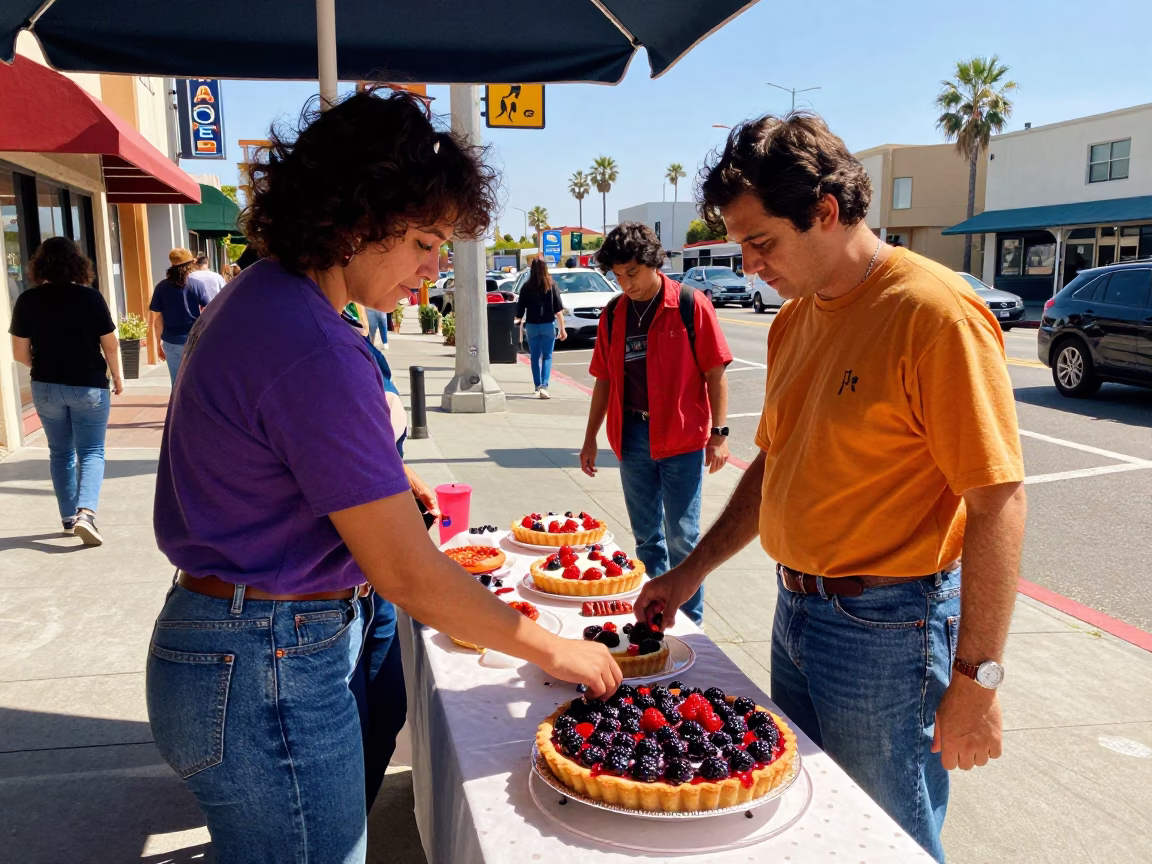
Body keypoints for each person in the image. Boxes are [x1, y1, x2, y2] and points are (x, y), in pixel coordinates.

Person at [145, 89, 621, 864]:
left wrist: (384, 482)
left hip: (235, 648)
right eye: (426, 242)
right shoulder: (313, 342)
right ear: (355, 220)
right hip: (266, 661)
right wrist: (551, 649)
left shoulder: (265, 296)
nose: (434, 270)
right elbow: (407, 573)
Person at [635, 113, 1027, 862]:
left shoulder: (933, 315)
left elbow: (997, 502)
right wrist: (690, 572)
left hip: (888, 630)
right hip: (798, 611)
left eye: (761, 241)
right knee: (814, 826)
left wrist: (978, 679)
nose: (748, 264)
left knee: (888, 840)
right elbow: (773, 466)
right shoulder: (794, 321)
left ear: (824, 211)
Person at [580, 222, 732, 625]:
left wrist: (719, 435)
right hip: (632, 438)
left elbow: (715, 373)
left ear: (652, 262)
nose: (625, 283)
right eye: (618, 275)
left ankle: (691, 624)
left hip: (682, 438)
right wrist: (590, 438)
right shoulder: (614, 314)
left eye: (632, 272)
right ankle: (654, 617)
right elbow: (603, 379)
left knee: (683, 537)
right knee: (647, 537)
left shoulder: (689, 304)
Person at [8, 237, 123, 546]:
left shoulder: (27, 300)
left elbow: (19, 352)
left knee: (60, 452)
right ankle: (86, 513)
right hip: (88, 385)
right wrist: (117, 376)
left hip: (45, 386)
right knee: (92, 451)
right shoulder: (91, 298)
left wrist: (43, 366)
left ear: (39, 265)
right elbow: (110, 345)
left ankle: (69, 518)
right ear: (78, 263)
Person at [148, 248, 211, 384]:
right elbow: (207, 309)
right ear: (189, 265)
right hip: (194, 339)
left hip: (171, 341)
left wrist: (157, 343)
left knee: (177, 382)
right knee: (195, 381)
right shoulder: (197, 285)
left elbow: (157, 319)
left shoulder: (161, 287)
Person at [514, 257, 567, 397]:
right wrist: (562, 329)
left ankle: (537, 386)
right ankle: (544, 386)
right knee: (547, 356)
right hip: (548, 325)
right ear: (545, 269)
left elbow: (519, 312)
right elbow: (558, 310)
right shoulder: (551, 285)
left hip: (532, 325)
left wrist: (516, 329)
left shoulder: (526, 287)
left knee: (535, 356)